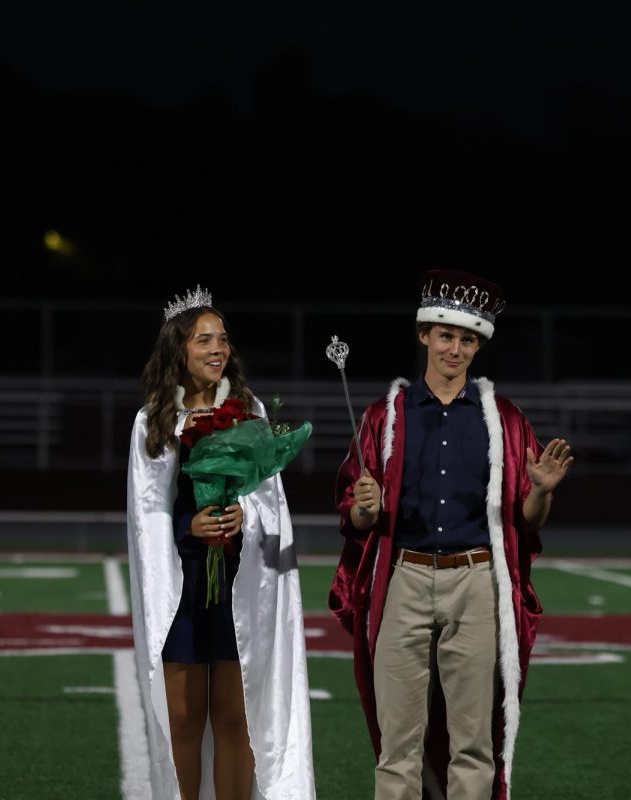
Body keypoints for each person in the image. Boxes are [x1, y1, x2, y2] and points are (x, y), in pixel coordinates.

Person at [328, 269, 574, 800]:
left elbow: (526, 524)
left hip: (477, 582)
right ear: (424, 336)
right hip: (403, 581)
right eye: (445, 335)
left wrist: (541, 492)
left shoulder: (506, 421)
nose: (455, 348)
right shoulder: (382, 417)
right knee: (397, 748)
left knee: (473, 746)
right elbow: (354, 518)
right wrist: (366, 510)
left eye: (467, 339)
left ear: (478, 344)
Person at [126, 286, 316, 800]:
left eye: (223, 339)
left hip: (239, 582)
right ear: (178, 350)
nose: (217, 349)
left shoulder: (248, 408)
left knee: (237, 717)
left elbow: (268, 499)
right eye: (204, 340)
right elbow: (147, 510)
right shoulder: (155, 418)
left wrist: (243, 514)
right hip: (183, 585)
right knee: (183, 719)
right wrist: (189, 528)